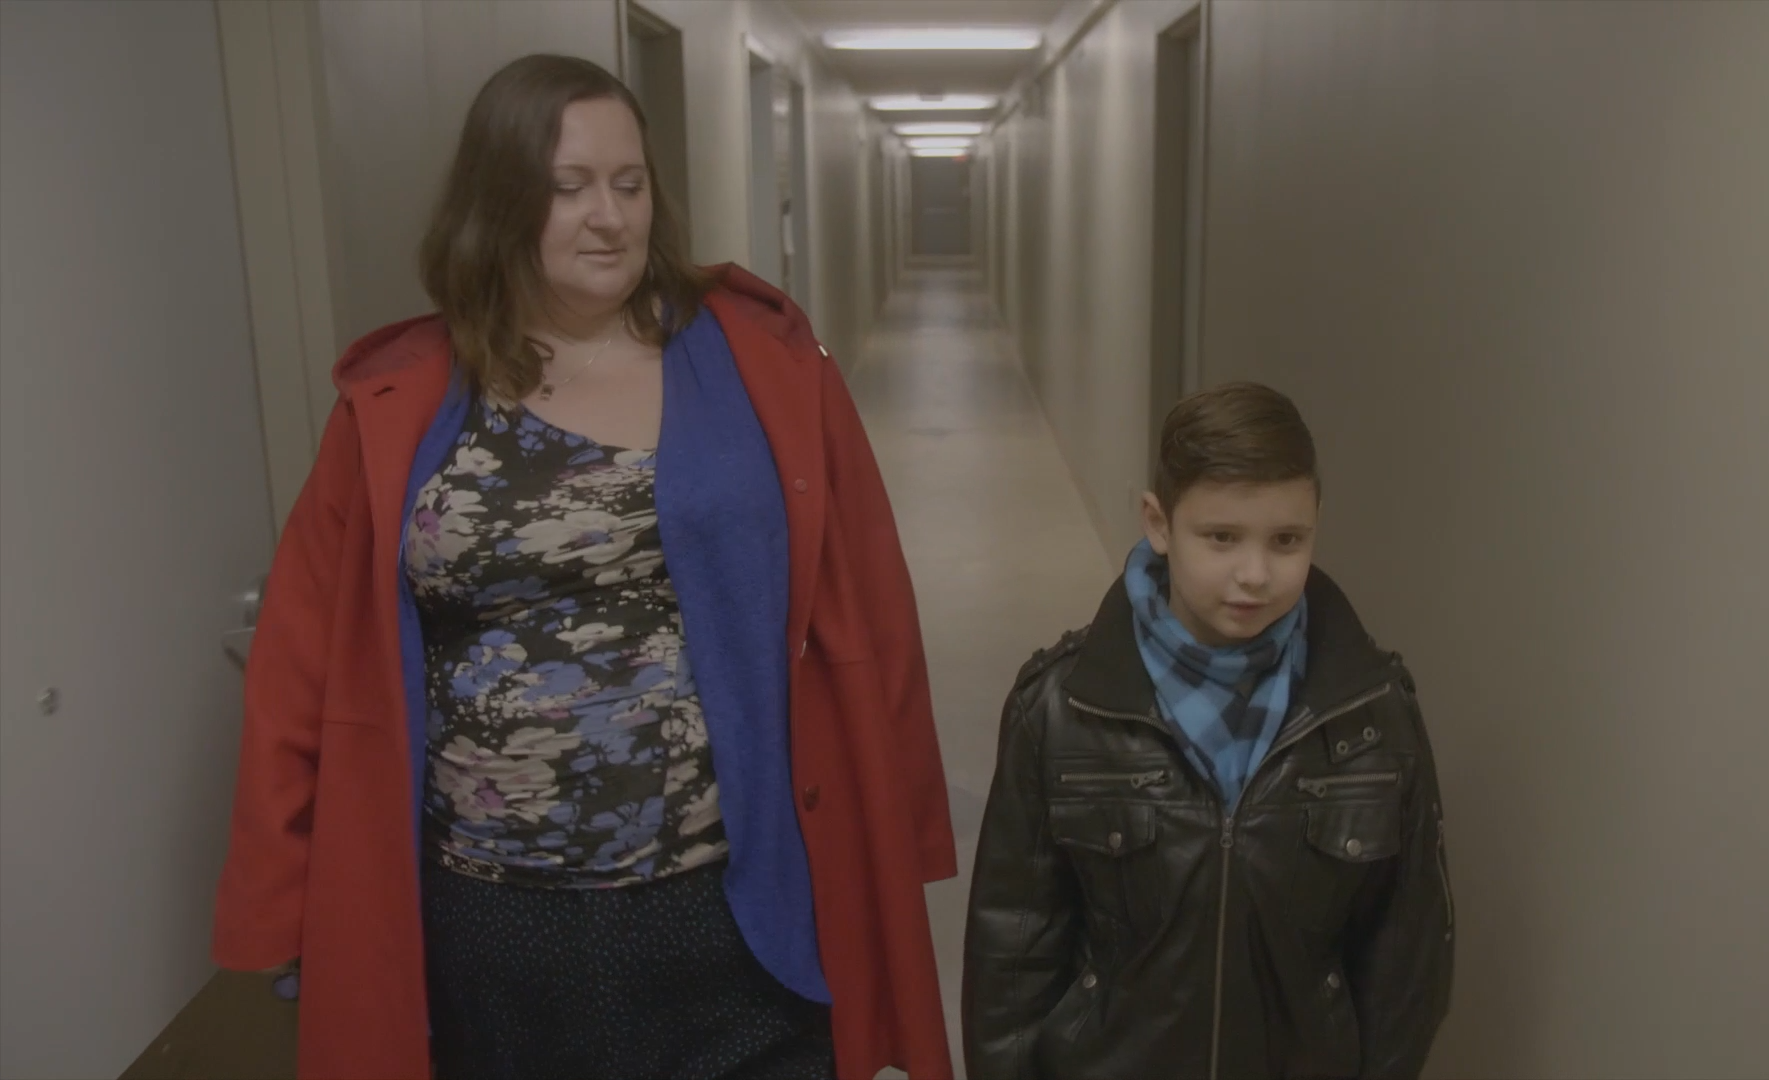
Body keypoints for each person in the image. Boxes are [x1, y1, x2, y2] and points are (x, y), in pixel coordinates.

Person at [212, 54, 956, 1080]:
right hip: (491, 921)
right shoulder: (403, 402)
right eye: (567, 188)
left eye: (629, 183)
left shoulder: (757, 364)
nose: (609, 218)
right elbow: (299, 670)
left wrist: (895, 825)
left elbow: (870, 608)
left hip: (724, 901)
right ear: (498, 204)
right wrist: (281, 899)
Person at [962, 383, 1453, 1079]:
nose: (1255, 575)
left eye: (1287, 540)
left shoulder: (1374, 715)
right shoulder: (1061, 710)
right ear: (1159, 524)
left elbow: (1406, 961)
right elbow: (1012, 958)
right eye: (1221, 537)